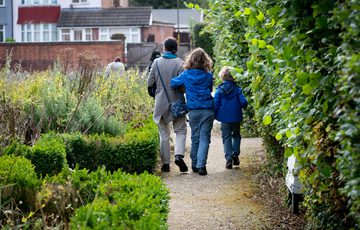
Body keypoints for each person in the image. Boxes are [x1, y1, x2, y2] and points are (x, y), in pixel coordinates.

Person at [147, 37, 188, 173]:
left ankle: (165, 164)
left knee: (163, 134)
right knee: (180, 131)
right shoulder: (180, 63)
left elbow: (149, 82)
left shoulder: (156, 63)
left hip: (160, 104)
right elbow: (184, 86)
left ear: (164, 48)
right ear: (176, 49)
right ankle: (178, 155)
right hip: (177, 103)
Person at [171, 48, 214, 176]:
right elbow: (210, 89)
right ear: (206, 61)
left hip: (194, 110)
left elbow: (173, 83)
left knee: (195, 137)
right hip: (208, 109)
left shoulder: (186, 74)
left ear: (191, 60)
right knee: (205, 137)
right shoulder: (208, 76)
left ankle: (195, 164)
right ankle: (202, 165)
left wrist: (184, 86)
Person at [214, 66, 248, 169]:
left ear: (222, 77)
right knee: (236, 135)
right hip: (236, 116)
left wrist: (215, 114)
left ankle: (228, 159)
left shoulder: (219, 90)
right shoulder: (237, 89)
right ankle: (235, 153)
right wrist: (244, 106)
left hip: (224, 118)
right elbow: (243, 102)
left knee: (226, 137)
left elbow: (215, 103)